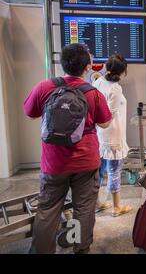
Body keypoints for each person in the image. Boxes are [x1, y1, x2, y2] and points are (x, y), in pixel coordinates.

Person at [23, 43, 112, 254]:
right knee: (83, 209)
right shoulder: (93, 93)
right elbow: (105, 123)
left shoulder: (45, 87)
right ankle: (79, 248)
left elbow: (30, 112)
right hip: (86, 162)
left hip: (53, 163)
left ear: (62, 64)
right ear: (88, 67)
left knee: (48, 210)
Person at [93, 54, 132, 217]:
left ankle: (97, 203)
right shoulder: (115, 88)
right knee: (114, 170)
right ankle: (116, 207)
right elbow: (110, 113)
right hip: (113, 135)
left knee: (98, 171)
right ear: (122, 71)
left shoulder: (97, 82)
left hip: (99, 134)